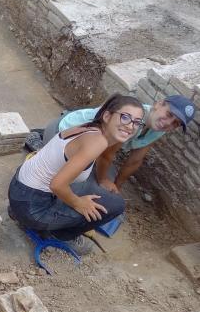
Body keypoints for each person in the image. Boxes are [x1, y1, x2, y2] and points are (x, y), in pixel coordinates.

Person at [8, 94, 145, 253]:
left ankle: (21, 214)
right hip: (31, 206)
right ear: (107, 116)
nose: (130, 126)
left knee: (92, 190)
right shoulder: (97, 142)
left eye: (136, 122)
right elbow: (57, 185)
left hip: (20, 188)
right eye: (125, 117)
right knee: (115, 205)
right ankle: (60, 235)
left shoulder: (91, 128)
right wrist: (78, 203)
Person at [42, 95, 196, 193]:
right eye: (169, 114)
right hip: (60, 133)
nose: (167, 123)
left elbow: (136, 160)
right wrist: (103, 180)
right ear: (159, 104)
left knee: (104, 189)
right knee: (84, 188)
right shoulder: (134, 121)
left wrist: (117, 186)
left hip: (87, 145)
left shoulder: (158, 128)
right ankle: (40, 145)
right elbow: (106, 155)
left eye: (175, 123)